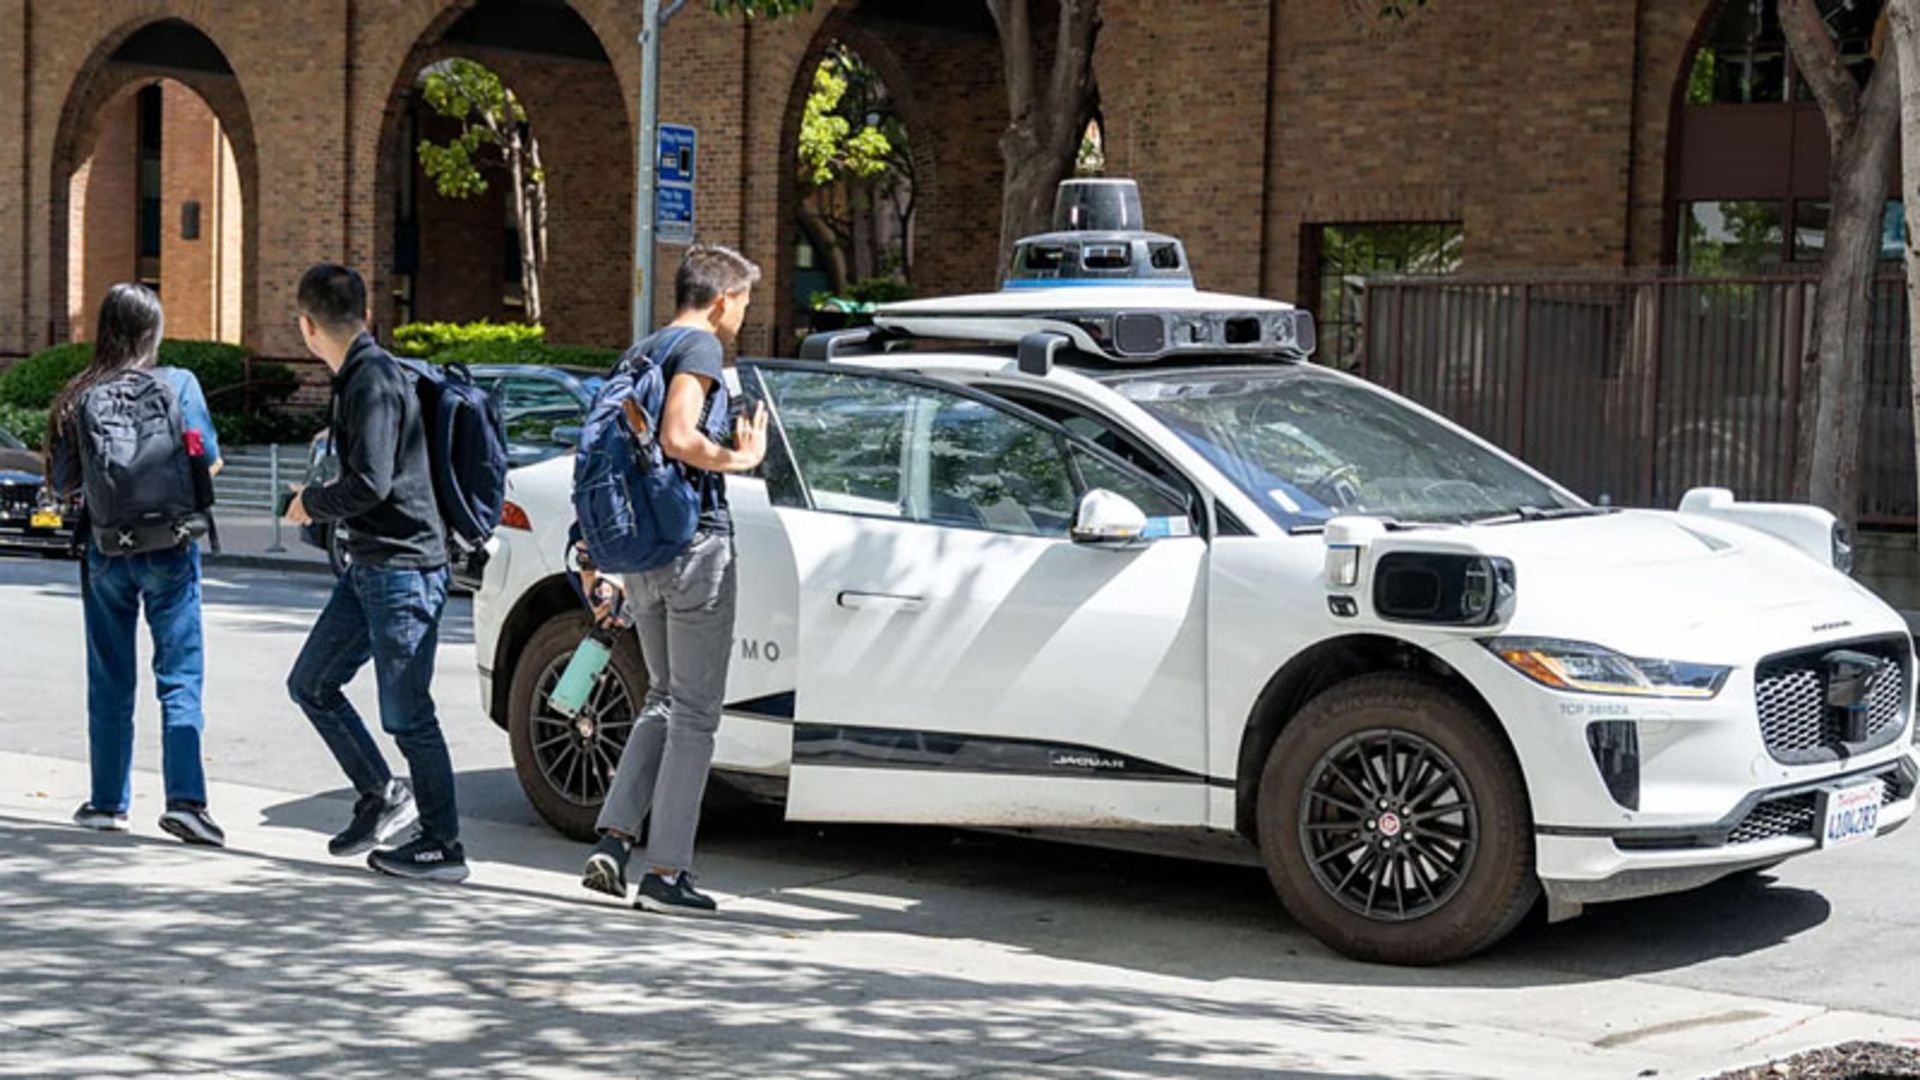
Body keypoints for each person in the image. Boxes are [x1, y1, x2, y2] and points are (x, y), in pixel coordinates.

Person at [580, 244, 768, 914]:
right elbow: (679, 436)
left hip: (645, 554)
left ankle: (612, 840)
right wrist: (739, 460)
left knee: (661, 697)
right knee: (694, 714)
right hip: (694, 545)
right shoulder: (699, 350)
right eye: (744, 300)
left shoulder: (644, 350)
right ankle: (667, 874)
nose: (747, 313)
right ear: (722, 300)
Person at [283, 263, 466, 882]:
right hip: (371, 565)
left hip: (405, 568)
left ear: (308, 326)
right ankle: (382, 793)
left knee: (408, 713)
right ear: (364, 314)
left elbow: (371, 483)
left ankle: (444, 843)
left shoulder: (373, 381)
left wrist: (312, 502)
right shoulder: (360, 375)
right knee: (311, 682)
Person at [47, 282, 226, 846]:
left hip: (106, 552)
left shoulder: (79, 395)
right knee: (179, 678)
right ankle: (187, 802)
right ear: (153, 331)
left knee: (109, 678)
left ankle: (106, 802)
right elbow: (211, 464)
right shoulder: (180, 385)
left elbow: (61, 485)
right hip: (170, 548)